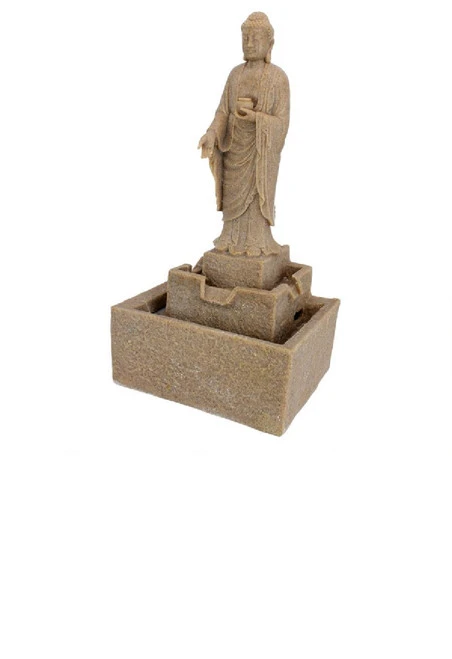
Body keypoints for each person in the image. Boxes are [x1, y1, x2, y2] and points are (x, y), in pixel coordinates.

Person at [198, 12, 290, 257]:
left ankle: (257, 242)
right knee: (232, 197)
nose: (249, 43)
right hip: (234, 149)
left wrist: (257, 119)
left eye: (255, 38)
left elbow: (282, 122)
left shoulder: (277, 78)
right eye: (245, 37)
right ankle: (230, 239)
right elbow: (223, 112)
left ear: (269, 44)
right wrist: (211, 133)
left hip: (259, 154)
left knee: (256, 197)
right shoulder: (235, 74)